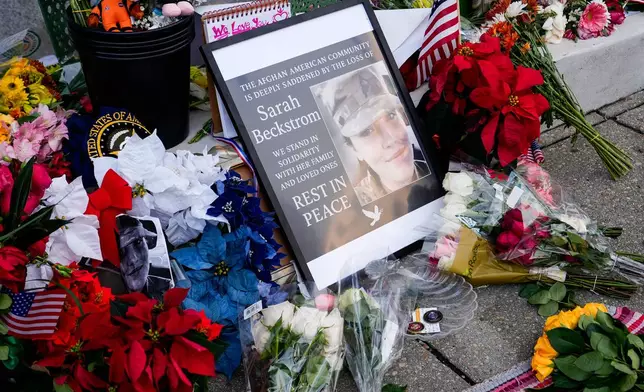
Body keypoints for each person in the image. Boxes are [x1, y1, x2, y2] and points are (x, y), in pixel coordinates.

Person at [328, 66, 429, 205]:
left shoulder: (436, 164)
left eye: (391, 115)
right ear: (355, 150)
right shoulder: (353, 210)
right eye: (367, 131)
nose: (390, 138)